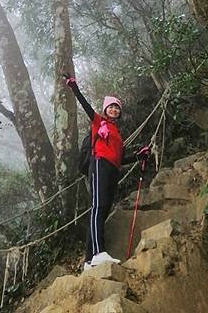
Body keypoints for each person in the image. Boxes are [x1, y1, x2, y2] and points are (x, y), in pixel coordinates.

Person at [64, 73, 150, 270]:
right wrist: (74, 87)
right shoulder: (98, 122)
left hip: (112, 169)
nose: (113, 109)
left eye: (116, 107)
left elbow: (120, 159)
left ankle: (88, 260)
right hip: (99, 165)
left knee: (102, 211)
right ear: (105, 109)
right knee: (97, 207)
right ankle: (98, 253)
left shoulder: (117, 134)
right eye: (111, 106)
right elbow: (86, 106)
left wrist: (139, 156)